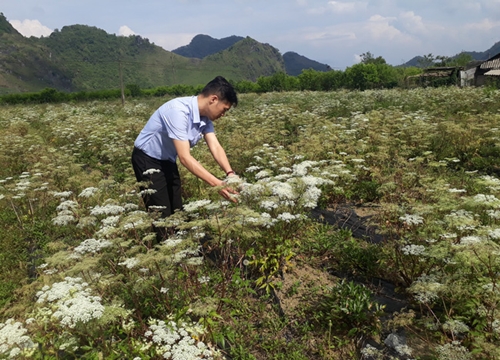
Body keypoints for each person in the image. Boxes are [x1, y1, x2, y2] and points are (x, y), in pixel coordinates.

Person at [131, 76, 239, 241]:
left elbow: (215, 146)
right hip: (147, 160)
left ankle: (183, 251)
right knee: (161, 214)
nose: (223, 114)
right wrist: (217, 184)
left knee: (177, 210)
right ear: (213, 99)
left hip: (167, 160)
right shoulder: (177, 111)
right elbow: (185, 157)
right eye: (224, 109)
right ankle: (166, 256)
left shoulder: (205, 118)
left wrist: (230, 173)